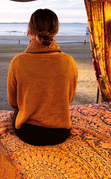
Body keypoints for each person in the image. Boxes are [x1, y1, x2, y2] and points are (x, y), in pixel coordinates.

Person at [7, 9, 78, 146]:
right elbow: (68, 99)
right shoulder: (69, 61)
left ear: (30, 30)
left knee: (17, 111)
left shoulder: (18, 61)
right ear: (55, 31)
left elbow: (13, 103)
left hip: (28, 133)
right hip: (60, 133)